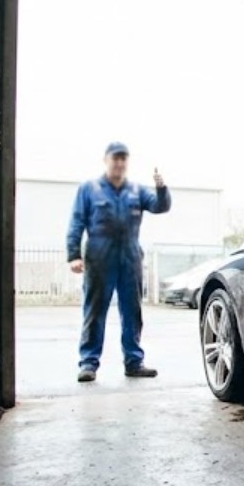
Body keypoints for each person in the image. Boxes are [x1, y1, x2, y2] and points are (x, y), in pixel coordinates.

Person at [66, 142, 172, 382]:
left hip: (129, 259)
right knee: (94, 312)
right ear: (106, 160)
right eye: (115, 158)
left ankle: (134, 362)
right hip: (99, 259)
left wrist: (161, 187)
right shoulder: (89, 189)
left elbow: (160, 206)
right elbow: (76, 222)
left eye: (123, 159)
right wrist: (73, 255)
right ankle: (88, 363)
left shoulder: (137, 190)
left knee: (132, 312)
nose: (119, 163)